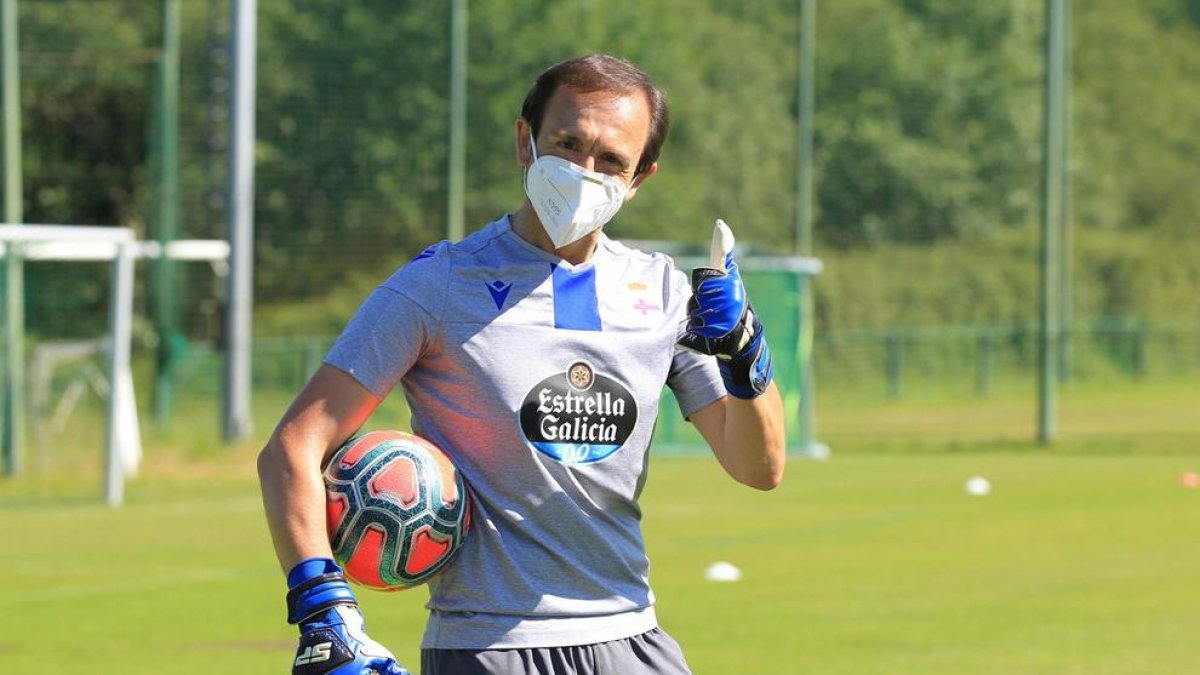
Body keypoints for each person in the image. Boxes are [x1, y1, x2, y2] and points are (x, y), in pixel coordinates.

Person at [257, 53, 786, 675]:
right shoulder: (437, 286)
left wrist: (745, 354)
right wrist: (323, 610)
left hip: (632, 638)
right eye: (567, 144)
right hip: (487, 648)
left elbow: (758, 467)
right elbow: (294, 446)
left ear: (640, 176)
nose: (584, 171)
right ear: (524, 142)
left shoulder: (667, 297)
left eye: (611, 159)